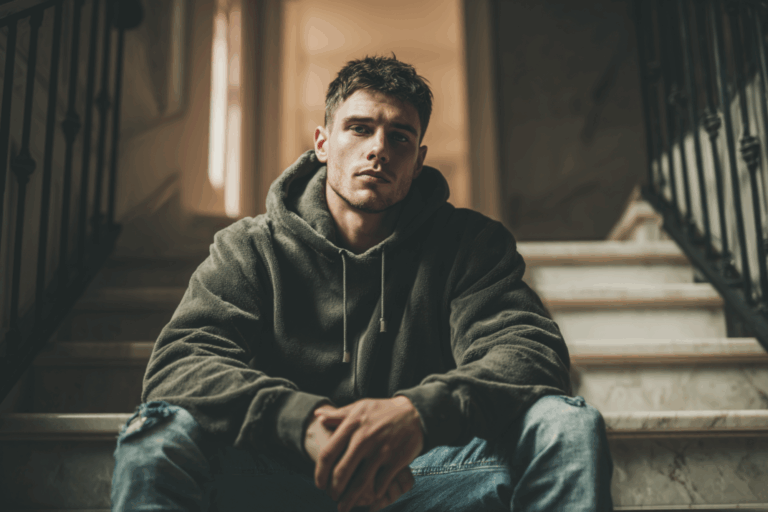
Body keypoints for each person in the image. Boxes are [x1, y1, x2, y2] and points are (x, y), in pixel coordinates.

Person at [111, 55, 614, 512]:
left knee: (565, 421)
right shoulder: (249, 247)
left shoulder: (470, 245)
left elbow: (529, 352)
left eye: (399, 136)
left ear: (418, 161)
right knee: (158, 429)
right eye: (359, 128)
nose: (379, 149)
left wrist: (416, 415)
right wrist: (300, 422)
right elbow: (183, 361)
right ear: (323, 143)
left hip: (428, 478)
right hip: (279, 477)